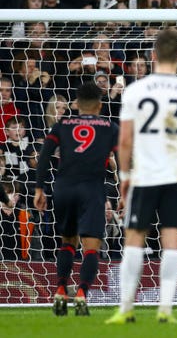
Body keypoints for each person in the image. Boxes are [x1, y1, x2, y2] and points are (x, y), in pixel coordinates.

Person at [105, 28, 177, 324]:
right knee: (172, 242)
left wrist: (124, 176)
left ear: (152, 55)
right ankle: (165, 308)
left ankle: (125, 309)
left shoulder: (135, 90)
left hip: (144, 176)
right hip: (176, 177)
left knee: (133, 241)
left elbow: (124, 140)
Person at [34, 82, 119, 316]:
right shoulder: (110, 126)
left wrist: (39, 188)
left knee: (68, 242)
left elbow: (44, 156)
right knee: (91, 246)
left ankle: (61, 289)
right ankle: (81, 293)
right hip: (92, 188)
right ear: (100, 105)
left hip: (64, 188)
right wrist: (124, 186)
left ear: (76, 104)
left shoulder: (62, 124)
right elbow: (122, 157)